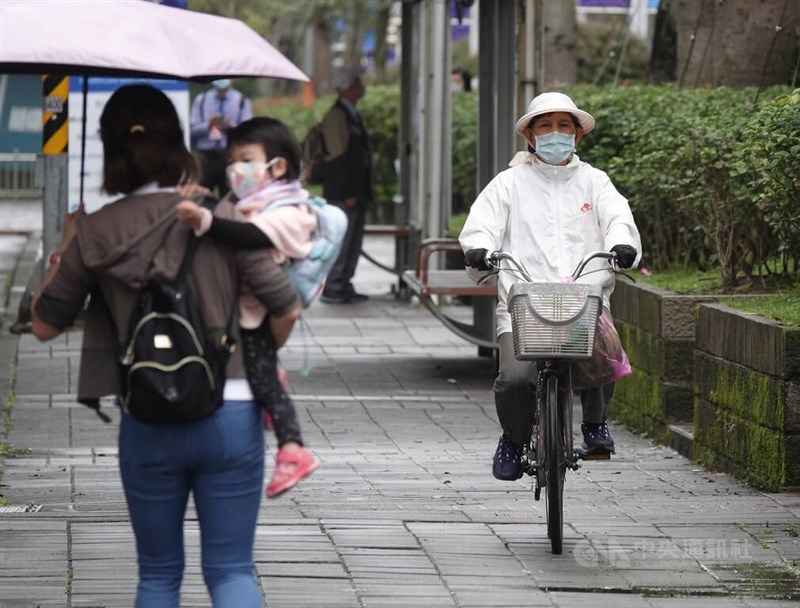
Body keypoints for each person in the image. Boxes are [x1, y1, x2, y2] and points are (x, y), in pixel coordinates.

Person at [30, 84, 301, 607]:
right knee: (230, 571)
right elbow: (285, 305)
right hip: (231, 408)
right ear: (178, 144)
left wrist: (67, 245)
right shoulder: (221, 218)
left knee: (156, 577)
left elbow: (44, 325)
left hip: (147, 414)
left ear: (111, 152)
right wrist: (255, 356)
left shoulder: (96, 231)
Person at [459, 91, 641, 481]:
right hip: (523, 302)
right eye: (545, 125)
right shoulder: (507, 184)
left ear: (578, 136)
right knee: (514, 379)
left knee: (604, 356)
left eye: (564, 125)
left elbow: (618, 220)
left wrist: (622, 246)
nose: (555, 133)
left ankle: (594, 423)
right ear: (530, 136)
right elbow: (480, 227)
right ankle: (513, 437)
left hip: (584, 299)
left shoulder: (596, 182)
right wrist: (480, 251)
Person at [176, 116, 321, 499]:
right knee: (264, 377)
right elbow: (227, 212)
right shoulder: (250, 200)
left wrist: (204, 218)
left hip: (261, 312)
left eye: (245, 159)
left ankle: (294, 449)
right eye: (231, 161)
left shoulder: (291, 209)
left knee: (266, 384)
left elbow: (249, 236)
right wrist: (199, 198)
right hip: (248, 309)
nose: (235, 169)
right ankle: (275, 392)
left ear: (277, 166)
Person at [317, 66, 373, 305]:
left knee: (353, 241)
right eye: (357, 83)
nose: (362, 88)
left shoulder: (349, 114)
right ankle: (334, 285)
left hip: (354, 192)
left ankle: (344, 283)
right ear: (347, 87)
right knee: (344, 240)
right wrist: (347, 192)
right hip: (344, 194)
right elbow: (336, 158)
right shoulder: (337, 116)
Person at [190, 79, 253, 197]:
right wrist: (208, 126)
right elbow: (192, 130)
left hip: (230, 156)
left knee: (230, 197)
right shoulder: (202, 99)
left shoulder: (242, 101)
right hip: (205, 157)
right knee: (201, 195)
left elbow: (248, 131)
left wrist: (230, 127)